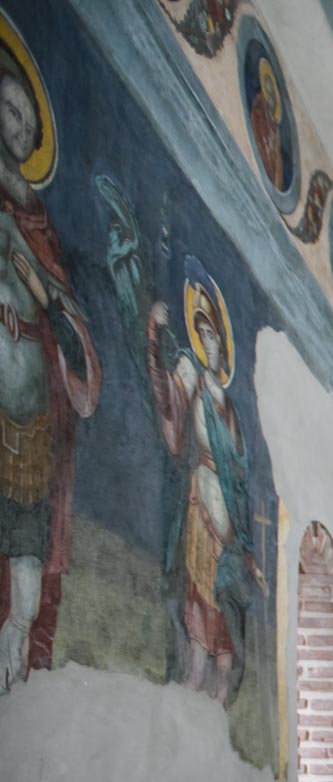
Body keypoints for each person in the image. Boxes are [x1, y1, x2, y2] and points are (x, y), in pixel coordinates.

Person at [0, 49, 102, 693]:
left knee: (27, 530)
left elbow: (63, 306)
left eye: (25, 119)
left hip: (33, 399)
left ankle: (18, 654)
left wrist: (41, 295)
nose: (16, 127)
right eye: (8, 111)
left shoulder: (39, 220)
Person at [147, 284, 261, 705]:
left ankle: (219, 691)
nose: (206, 342)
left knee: (225, 608)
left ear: (222, 343)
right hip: (202, 508)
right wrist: (154, 338)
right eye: (201, 334)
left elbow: (241, 482)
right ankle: (193, 680)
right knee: (199, 594)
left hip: (229, 524)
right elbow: (168, 402)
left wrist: (246, 545)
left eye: (211, 334)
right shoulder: (190, 376)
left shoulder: (231, 410)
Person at [247, 57, 286, 190]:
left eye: (271, 92)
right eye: (267, 90)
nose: (269, 98)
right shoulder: (258, 108)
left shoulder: (273, 124)